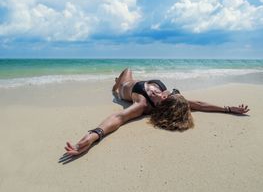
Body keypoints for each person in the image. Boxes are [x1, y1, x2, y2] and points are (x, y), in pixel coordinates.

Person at [64, 68, 249, 156]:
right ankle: (117, 80)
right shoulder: (170, 97)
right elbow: (199, 104)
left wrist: (95, 135)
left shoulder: (143, 104)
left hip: (123, 88)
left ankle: (114, 85)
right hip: (136, 81)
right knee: (128, 69)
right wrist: (228, 109)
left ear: (163, 105)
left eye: (170, 95)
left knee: (124, 74)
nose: (169, 92)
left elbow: (119, 117)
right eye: (174, 92)